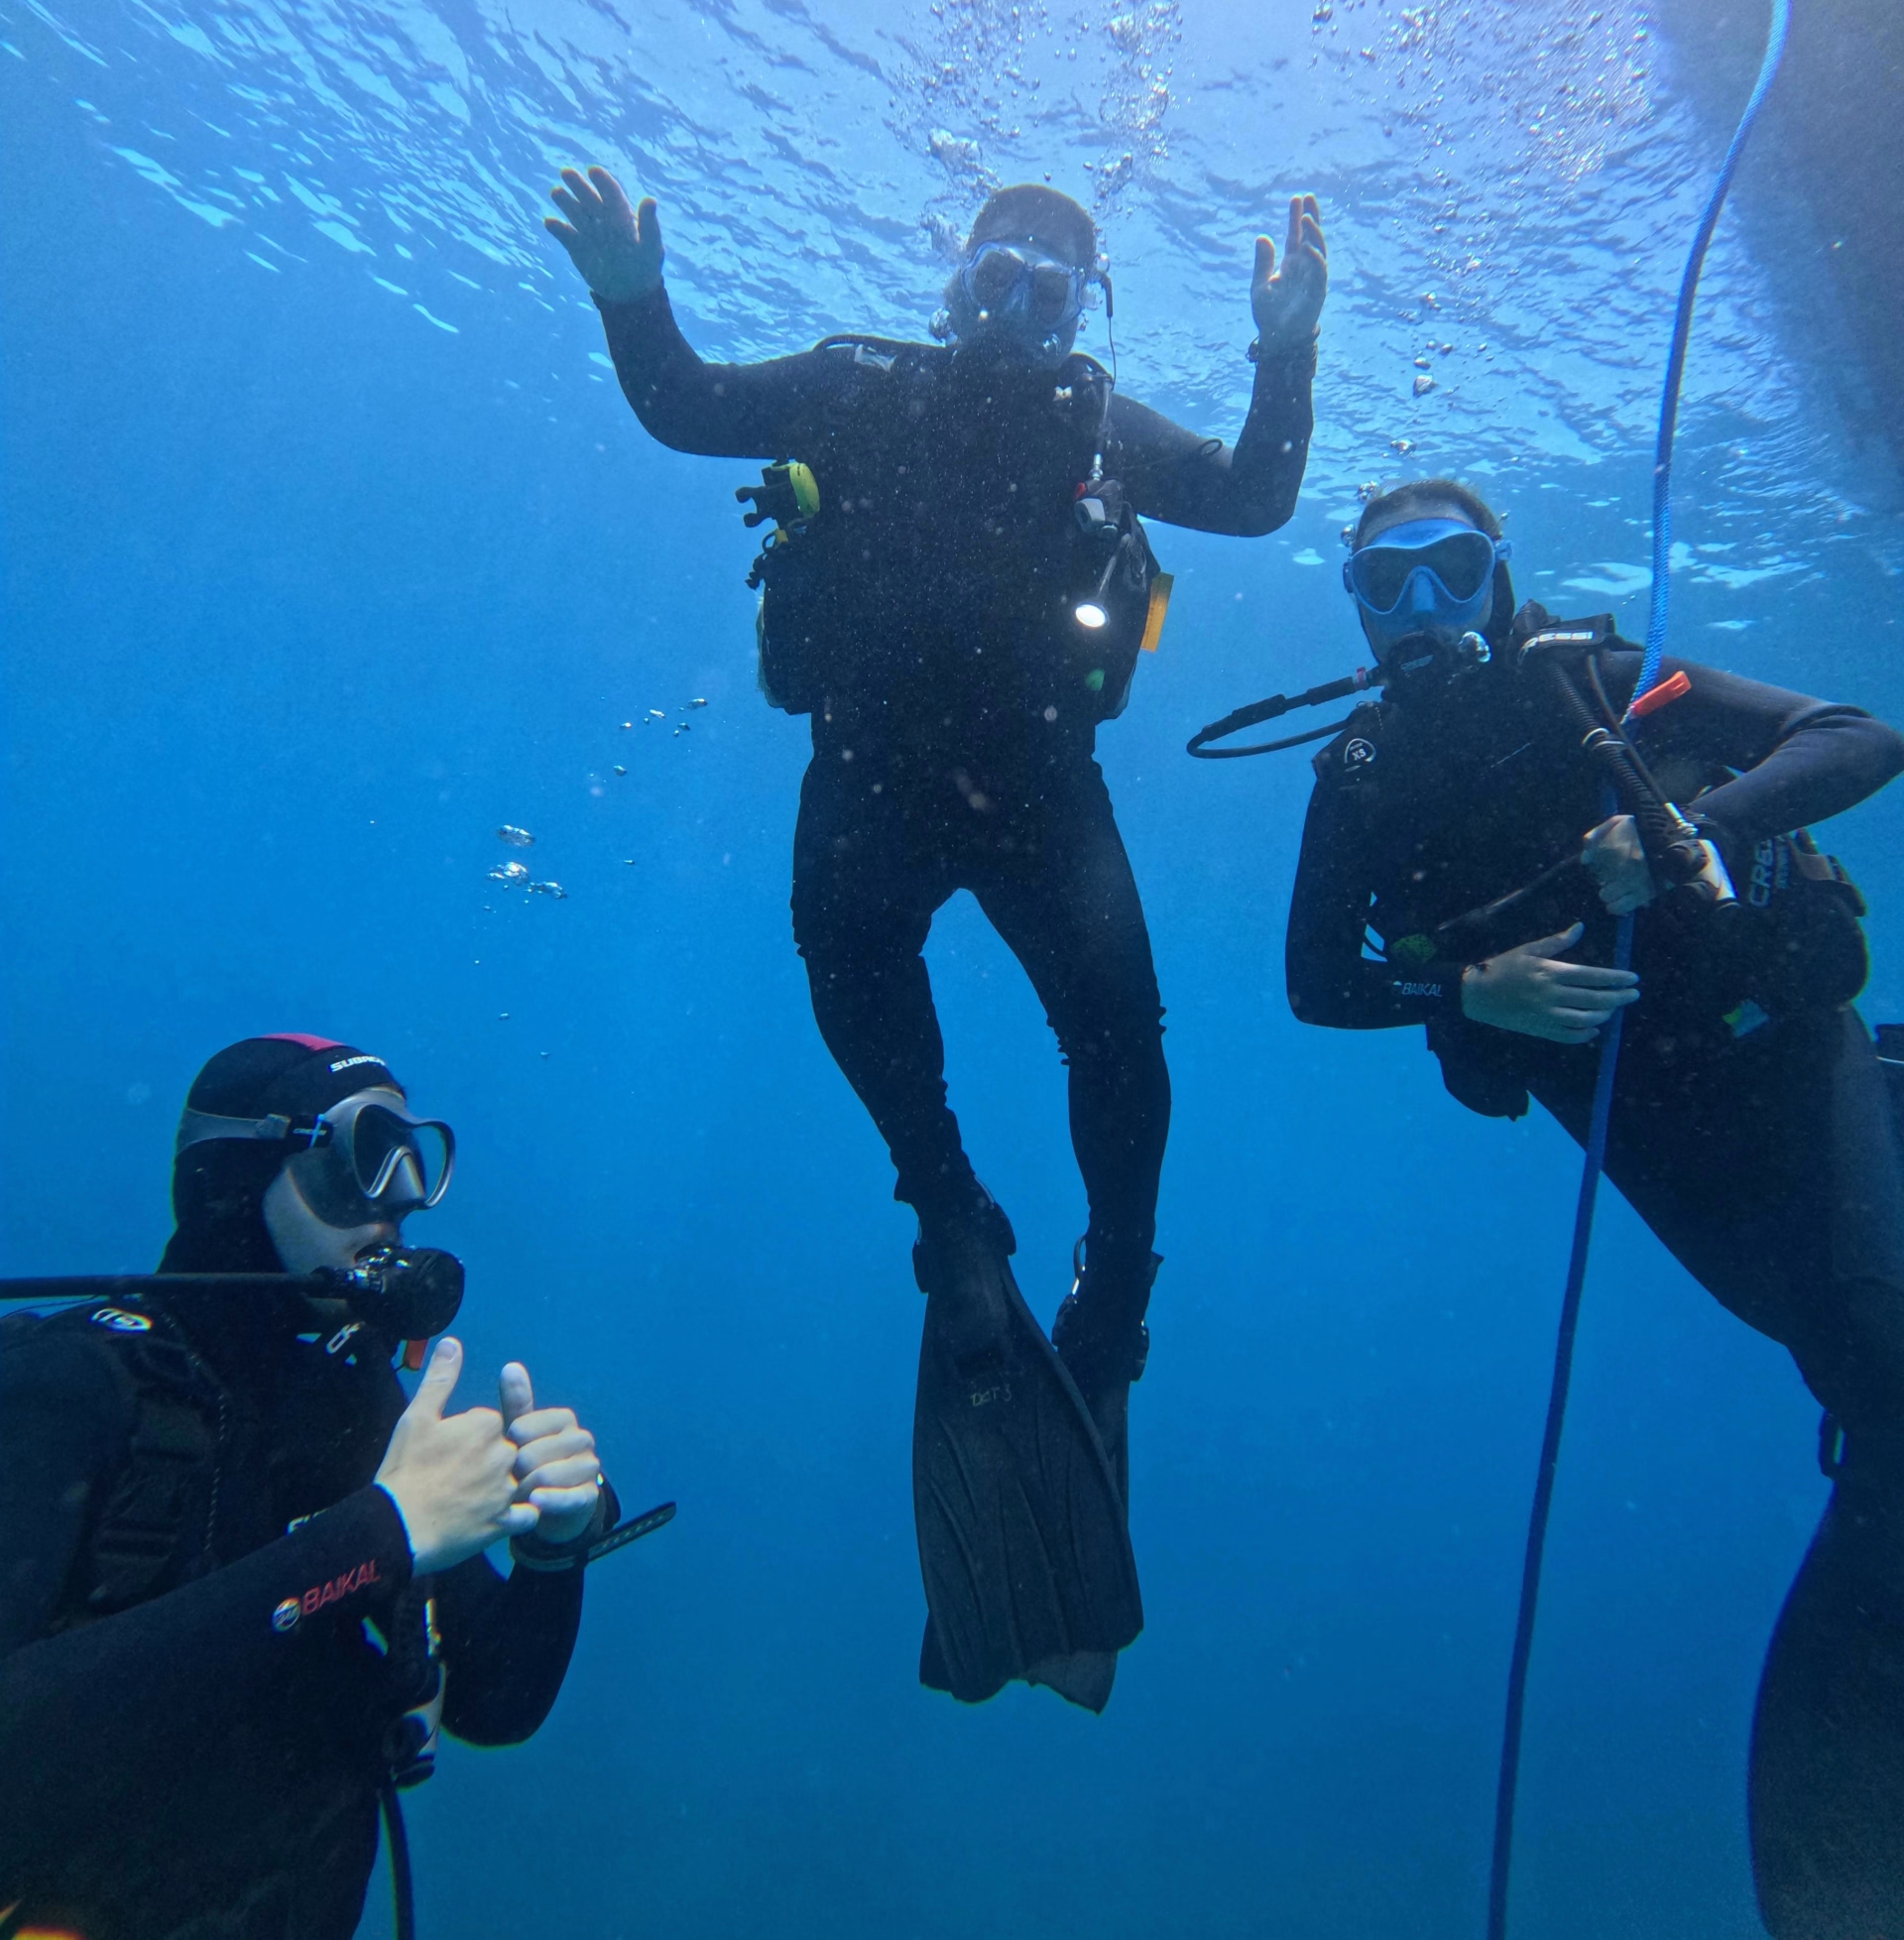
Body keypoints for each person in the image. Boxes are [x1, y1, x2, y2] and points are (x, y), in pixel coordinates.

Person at [545, 165, 1327, 1709]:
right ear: (954, 273)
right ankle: (953, 1216)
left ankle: (1112, 1292)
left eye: (1055, 271)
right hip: (878, 774)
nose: (1021, 283)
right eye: (1000, 259)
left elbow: (1252, 496)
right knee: (849, 962)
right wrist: (633, 298)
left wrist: (1285, 344)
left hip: (1041, 787)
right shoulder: (854, 386)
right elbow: (687, 406)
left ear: (1084, 302)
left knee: (1123, 1038)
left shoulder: (1101, 424)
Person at [1282, 477, 1904, 1936]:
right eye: (1388, 583)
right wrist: (1461, 986)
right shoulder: (1362, 772)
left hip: (1780, 1038)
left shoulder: (1605, 687)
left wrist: (1707, 823)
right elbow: (1313, 981)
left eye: (1452, 571)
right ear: (1359, 606)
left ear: (1502, 576)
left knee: (1881, 1353)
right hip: (1646, 1123)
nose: (1423, 609)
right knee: (1844, 1354)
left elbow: (1862, 732)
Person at [0, 1034, 621, 1940]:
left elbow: (497, 1702)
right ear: (233, 1183)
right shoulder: (73, 1387)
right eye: (353, 1166)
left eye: (415, 1165)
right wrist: (380, 1537)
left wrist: (551, 1556)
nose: (397, 1208)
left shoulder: (352, 1409)